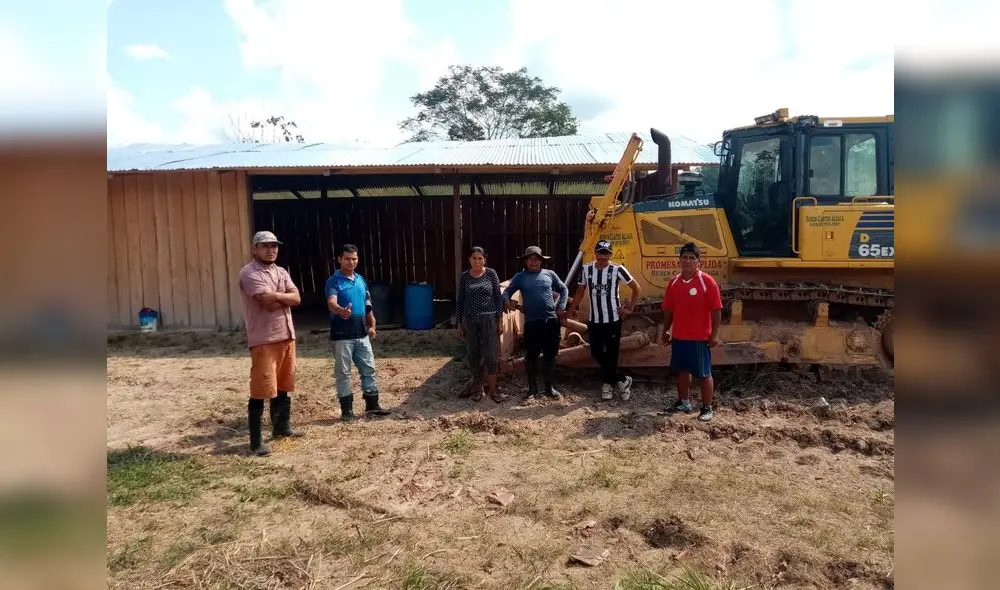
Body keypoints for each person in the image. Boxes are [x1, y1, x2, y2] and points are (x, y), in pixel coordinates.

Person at [238, 231, 304, 456]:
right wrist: (283, 297)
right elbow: (267, 303)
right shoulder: (248, 273)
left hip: (286, 335)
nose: (271, 250)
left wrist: (279, 297)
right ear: (254, 249)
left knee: (284, 384)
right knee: (260, 388)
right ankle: (256, 442)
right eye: (265, 246)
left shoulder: (281, 271)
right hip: (264, 338)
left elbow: (297, 298)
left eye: (274, 246)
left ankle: (281, 427)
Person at [567, 240, 641, 401]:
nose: (602, 257)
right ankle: (622, 379)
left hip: (614, 319)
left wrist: (630, 309)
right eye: (600, 253)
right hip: (595, 320)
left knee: (612, 354)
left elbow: (636, 288)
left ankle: (607, 384)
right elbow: (580, 291)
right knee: (596, 352)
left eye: (605, 254)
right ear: (595, 253)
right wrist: (570, 312)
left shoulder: (617, 269)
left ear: (610, 255)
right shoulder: (587, 269)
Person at [325, 244, 391, 421]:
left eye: (354, 258)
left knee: (369, 368)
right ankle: (347, 411)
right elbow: (331, 302)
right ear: (340, 259)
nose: (351, 262)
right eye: (347, 258)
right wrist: (340, 310)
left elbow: (367, 303)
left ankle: (372, 405)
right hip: (341, 336)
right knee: (344, 373)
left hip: (361, 334)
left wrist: (372, 324)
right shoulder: (333, 281)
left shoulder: (360, 279)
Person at [660, 242, 723, 421]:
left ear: (698, 262)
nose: (687, 261)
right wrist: (666, 330)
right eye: (684, 258)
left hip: (699, 338)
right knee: (682, 371)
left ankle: (707, 407)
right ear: (679, 261)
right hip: (680, 336)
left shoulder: (707, 282)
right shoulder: (673, 283)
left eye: (691, 258)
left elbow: (717, 310)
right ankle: (684, 402)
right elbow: (668, 310)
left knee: (704, 373)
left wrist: (714, 334)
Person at [502, 246, 569, 399]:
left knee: (550, 356)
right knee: (531, 356)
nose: (533, 262)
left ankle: (549, 388)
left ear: (541, 260)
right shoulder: (520, 277)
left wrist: (561, 306)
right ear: (525, 261)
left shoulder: (549, 274)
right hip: (532, 322)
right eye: (530, 259)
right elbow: (506, 292)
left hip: (550, 321)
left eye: (536, 259)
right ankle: (532, 389)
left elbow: (564, 289)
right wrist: (506, 301)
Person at [455, 247, 506, 402]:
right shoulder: (464, 277)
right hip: (469, 319)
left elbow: (498, 298)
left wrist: (499, 320)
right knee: (473, 354)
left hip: (488, 319)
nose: (477, 261)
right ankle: (479, 389)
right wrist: (458, 323)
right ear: (469, 260)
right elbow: (460, 300)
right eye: (474, 258)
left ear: (485, 259)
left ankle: (493, 390)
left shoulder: (491, 274)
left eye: (480, 258)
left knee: (491, 355)